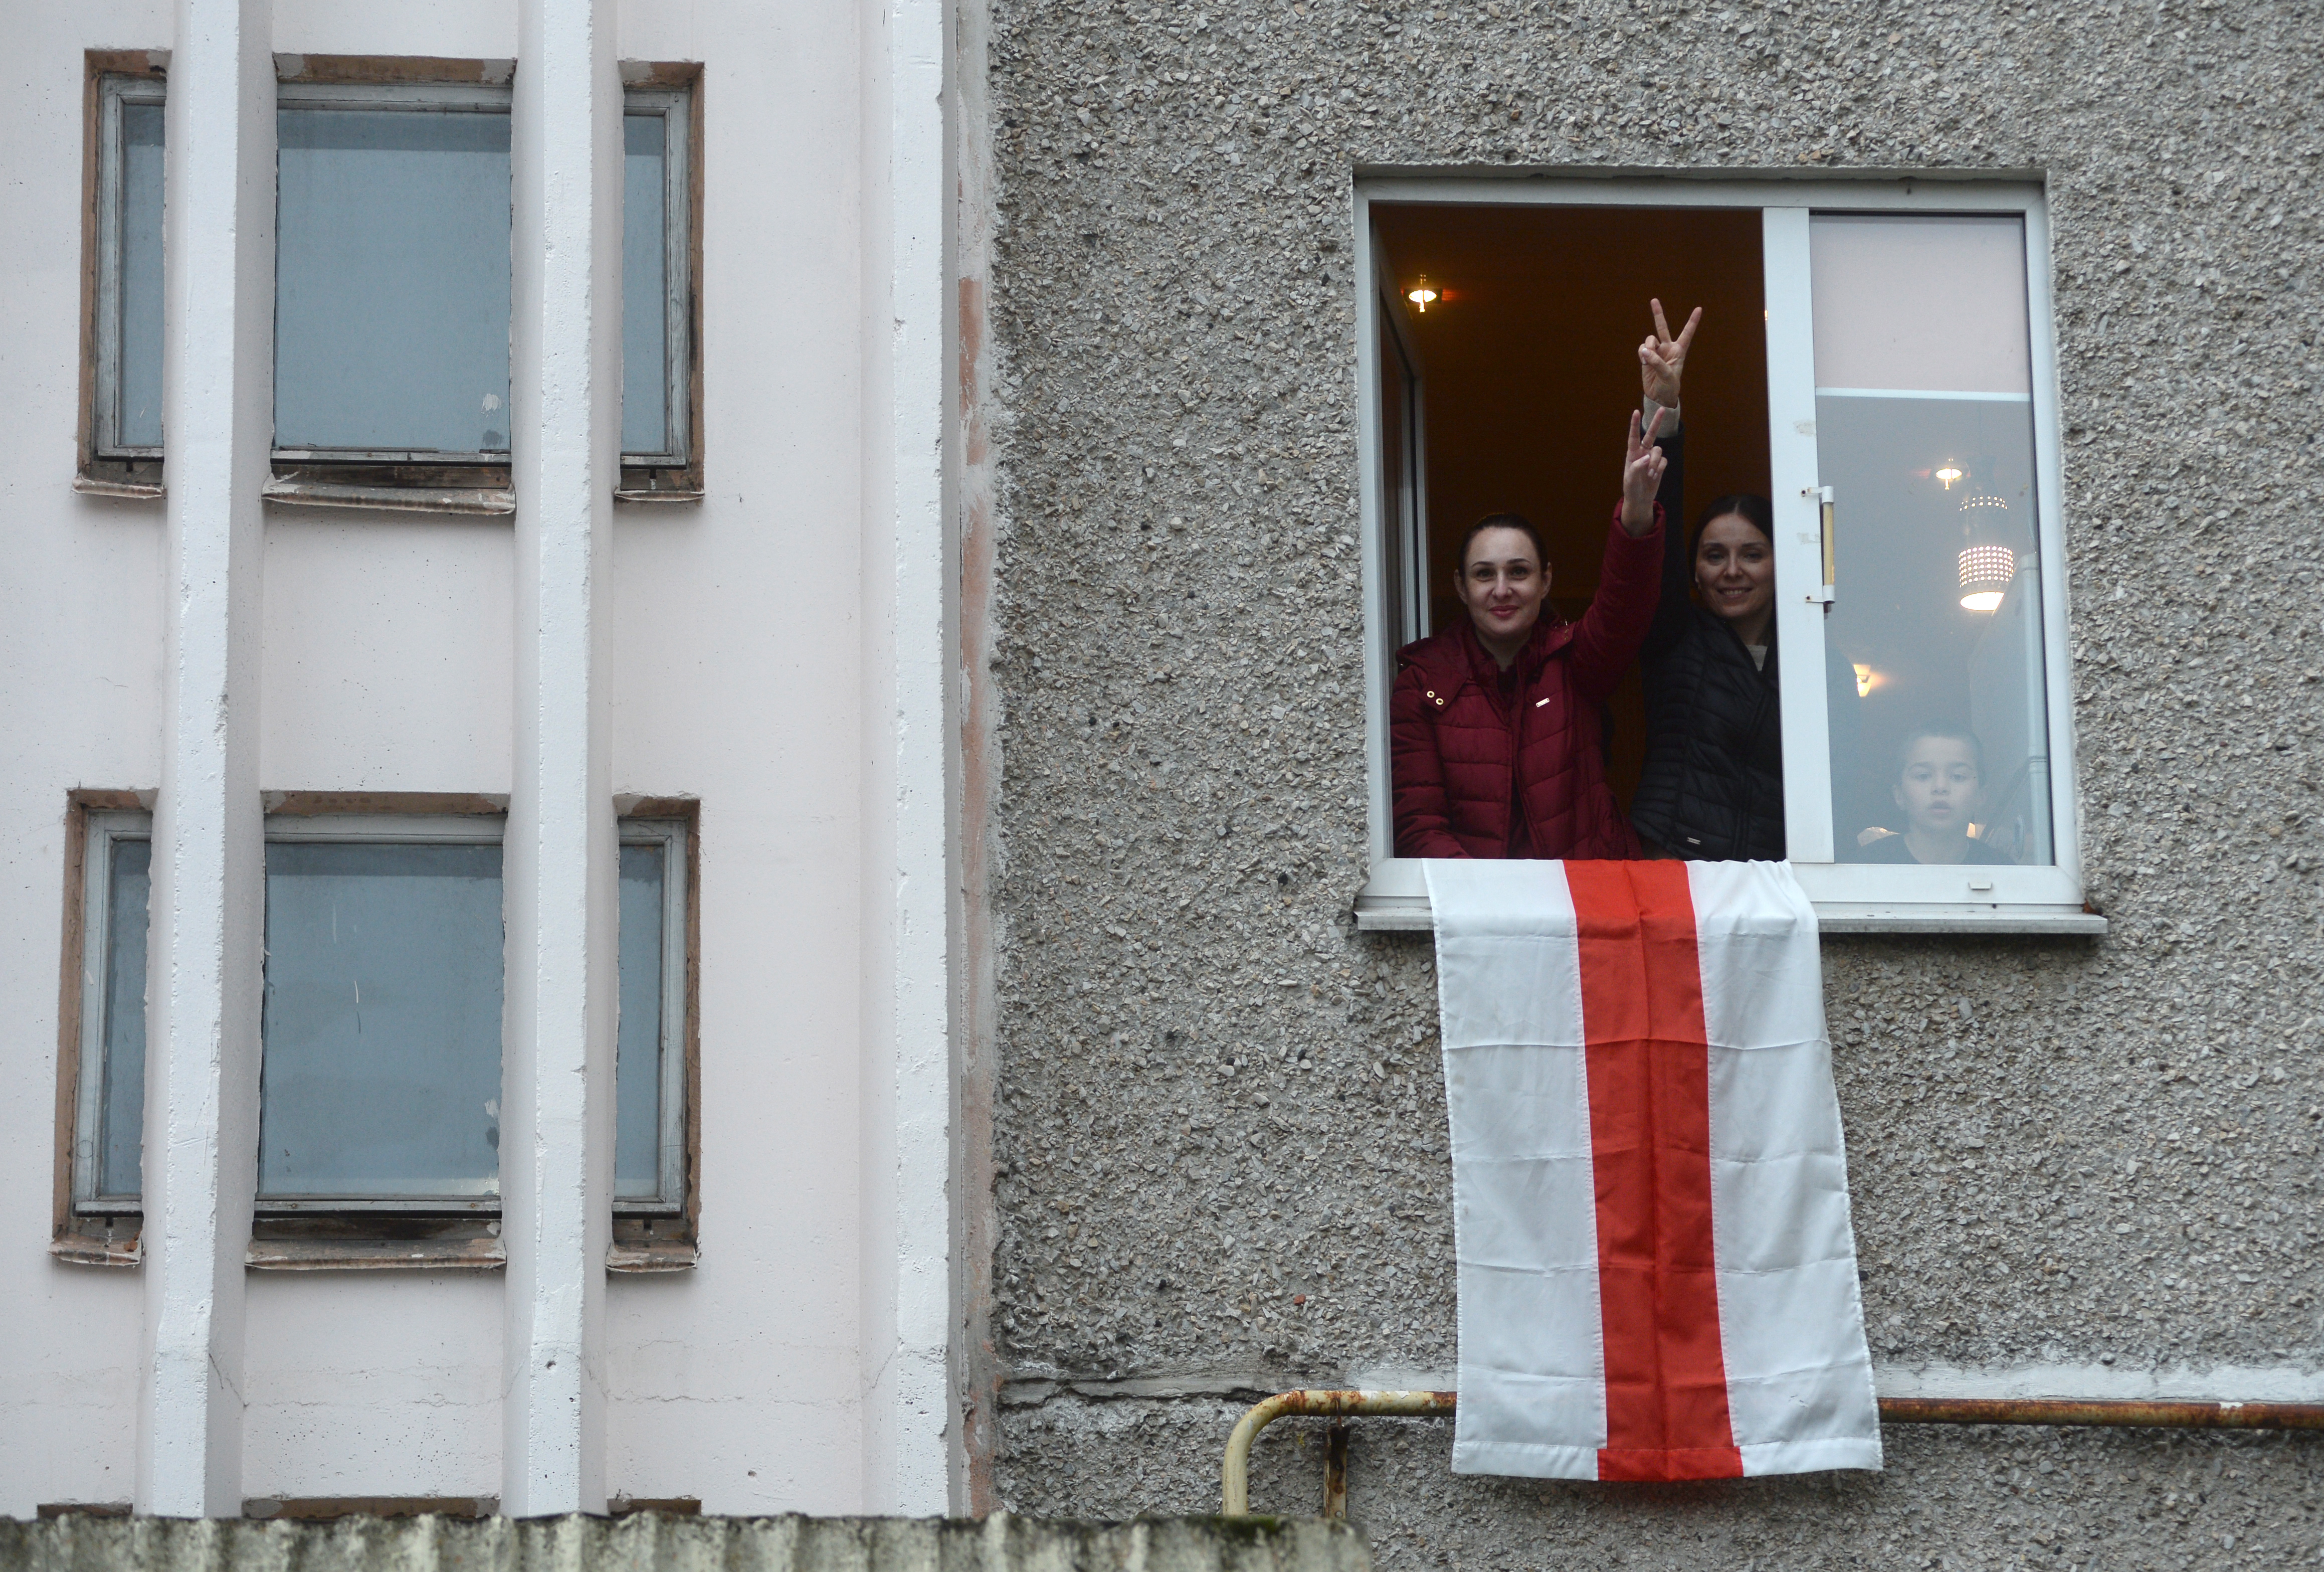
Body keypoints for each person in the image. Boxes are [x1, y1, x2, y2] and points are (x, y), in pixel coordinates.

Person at [1390, 403, 1671, 859]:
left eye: (1518, 572)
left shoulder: (1577, 662)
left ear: (1546, 581)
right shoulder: (1422, 684)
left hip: (1586, 909)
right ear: (1462, 587)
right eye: (1484, 575)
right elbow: (1420, 826)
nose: (1502, 590)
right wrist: (1494, 911)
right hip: (1480, 917)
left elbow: (1627, 604)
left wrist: (1637, 513)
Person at [1622, 302, 1791, 862]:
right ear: (1693, 570)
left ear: (1779, 565)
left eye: (1753, 554)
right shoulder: (1676, 634)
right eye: (1714, 555)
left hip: (1777, 880)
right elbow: (1657, 542)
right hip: (1675, 866)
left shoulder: (1816, 661)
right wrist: (1663, 409)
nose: (1733, 570)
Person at [1848, 723, 2015, 864]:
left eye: (1958, 776)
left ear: (1981, 796)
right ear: (1899, 795)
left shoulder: (2000, 870)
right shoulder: (1870, 865)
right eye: (1923, 776)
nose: (1940, 787)